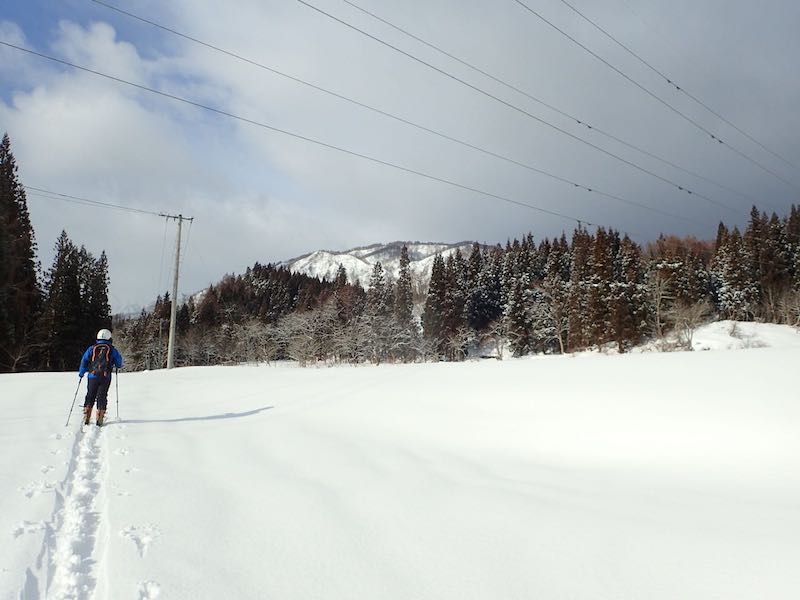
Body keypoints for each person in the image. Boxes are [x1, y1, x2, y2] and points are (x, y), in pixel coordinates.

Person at [79, 328, 123, 426]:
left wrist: (81, 373)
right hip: (105, 376)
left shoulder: (92, 348)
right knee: (102, 396)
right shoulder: (112, 349)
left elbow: (84, 360)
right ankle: (100, 417)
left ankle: (87, 414)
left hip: (92, 376)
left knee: (90, 395)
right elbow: (119, 363)